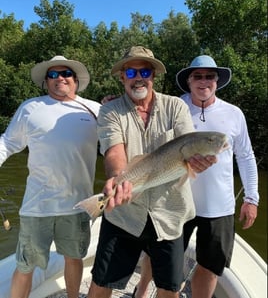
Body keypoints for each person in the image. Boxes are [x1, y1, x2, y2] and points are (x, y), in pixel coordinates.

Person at [86, 46, 217, 298]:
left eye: (145, 70)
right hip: (125, 214)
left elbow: (187, 144)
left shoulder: (176, 107)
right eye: (131, 71)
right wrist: (117, 177)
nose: (138, 77)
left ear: (153, 75)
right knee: (101, 282)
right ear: (122, 76)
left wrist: (198, 160)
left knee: (169, 288)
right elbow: (114, 151)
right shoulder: (109, 110)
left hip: (169, 212)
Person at [134, 55, 259, 298]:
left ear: (217, 81)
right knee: (156, 256)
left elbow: (246, 156)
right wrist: (106, 102)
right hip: (175, 201)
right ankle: (140, 293)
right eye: (197, 76)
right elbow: (138, 117)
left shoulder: (234, 114)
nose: (204, 81)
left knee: (210, 266)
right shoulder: (171, 107)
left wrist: (251, 198)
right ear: (189, 81)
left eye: (209, 76)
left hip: (218, 207)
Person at [0, 55, 101, 298]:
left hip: (78, 205)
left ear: (75, 80)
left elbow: (118, 143)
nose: (60, 78)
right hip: (37, 206)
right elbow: (7, 143)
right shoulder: (30, 107)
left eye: (65, 73)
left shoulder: (95, 109)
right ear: (46, 81)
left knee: (74, 258)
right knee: (25, 266)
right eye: (53, 75)